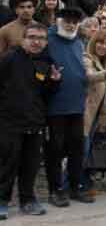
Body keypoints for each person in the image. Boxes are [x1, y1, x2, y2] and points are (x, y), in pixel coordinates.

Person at [0, 23, 61, 219]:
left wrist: (54, 82)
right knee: (7, 164)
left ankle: (28, 200)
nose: (36, 42)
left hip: (35, 123)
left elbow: (45, 94)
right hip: (9, 122)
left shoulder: (46, 62)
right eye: (32, 37)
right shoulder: (9, 58)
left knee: (30, 165)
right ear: (23, 39)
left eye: (41, 38)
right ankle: (2, 201)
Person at [45, 8, 93, 207]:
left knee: (77, 149)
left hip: (76, 105)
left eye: (75, 22)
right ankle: (55, 190)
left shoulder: (78, 42)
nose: (71, 25)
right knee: (55, 150)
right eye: (67, 21)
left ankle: (75, 187)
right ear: (59, 21)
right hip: (55, 106)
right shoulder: (48, 39)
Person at [82, 31, 106, 192]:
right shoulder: (87, 58)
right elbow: (89, 76)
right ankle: (69, 185)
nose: (104, 47)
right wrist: (105, 74)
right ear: (94, 42)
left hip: (98, 116)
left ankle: (83, 183)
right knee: (82, 150)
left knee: (87, 152)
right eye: (101, 43)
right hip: (85, 113)